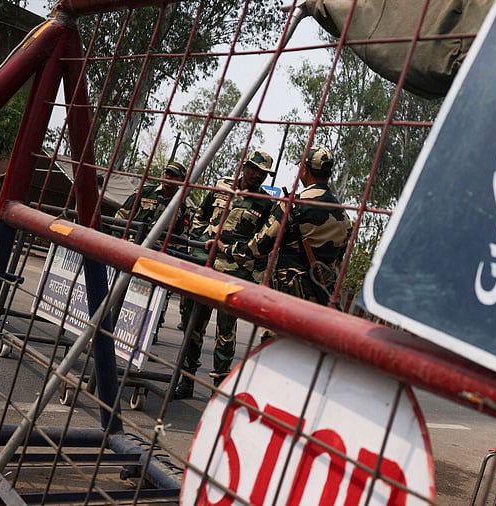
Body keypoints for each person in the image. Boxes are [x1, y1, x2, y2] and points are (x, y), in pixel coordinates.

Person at [173, 149, 275, 399]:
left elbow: (261, 245)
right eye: (254, 169)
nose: (257, 175)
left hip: (234, 274)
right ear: (245, 167)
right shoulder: (222, 187)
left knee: (225, 333)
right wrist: (201, 240)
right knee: (192, 324)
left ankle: (217, 390)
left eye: (263, 172)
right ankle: (186, 381)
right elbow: (200, 215)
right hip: (204, 267)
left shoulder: (266, 204)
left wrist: (233, 253)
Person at [219, 145, 352, 307]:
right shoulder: (345, 218)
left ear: (304, 170)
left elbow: (259, 247)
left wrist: (226, 249)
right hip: (320, 303)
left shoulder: (292, 205)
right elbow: (337, 263)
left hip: (287, 299)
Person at [114, 161, 190, 339]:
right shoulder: (144, 191)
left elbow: (181, 239)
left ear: (182, 180)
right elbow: (122, 216)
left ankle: (148, 333)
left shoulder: (184, 206)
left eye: (174, 175)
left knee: (156, 297)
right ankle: (116, 324)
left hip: (160, 255)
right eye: (167, 173)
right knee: (122, 289)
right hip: (133, 248)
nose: (168, 177)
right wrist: (121, 240)